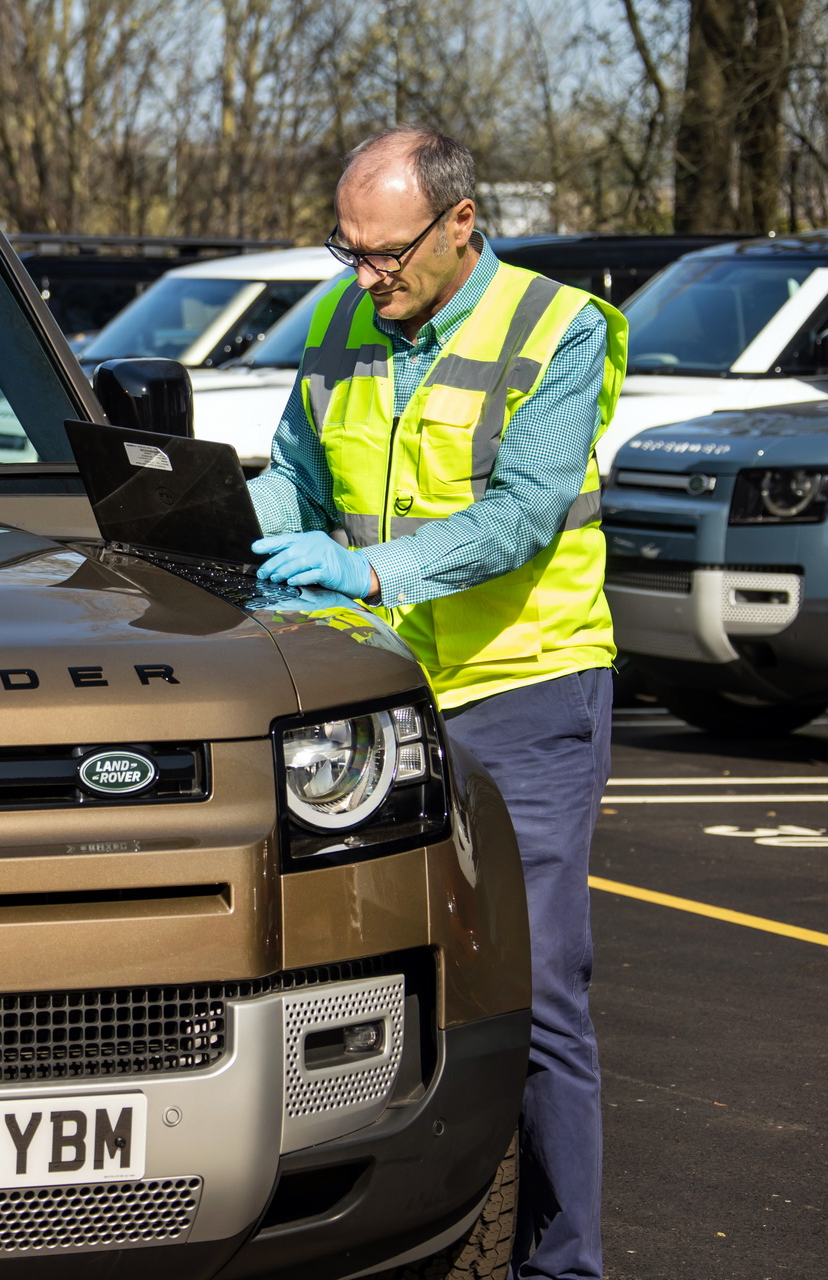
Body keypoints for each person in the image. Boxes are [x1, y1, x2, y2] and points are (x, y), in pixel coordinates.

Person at [249, 125, 624, 1280]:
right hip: (377, 698)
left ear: (461, 222)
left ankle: (561, 1266)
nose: (365, 278)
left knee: (539, 987)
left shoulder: (560, 330)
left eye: (385, 254)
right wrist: (214, 522)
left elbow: (518, 515)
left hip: (527, 687)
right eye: (347, 250)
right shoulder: (337, 322)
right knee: (359, 978)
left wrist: (369, 571)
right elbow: (293, 482)